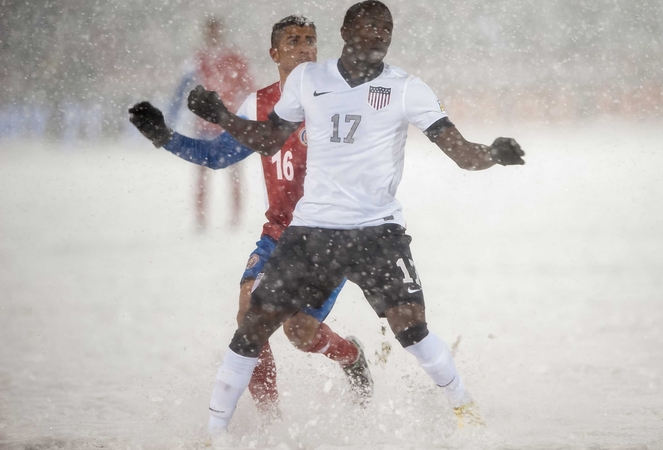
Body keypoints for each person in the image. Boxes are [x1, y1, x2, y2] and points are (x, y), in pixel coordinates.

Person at [189, 0, 525, 433]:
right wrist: (221, 117)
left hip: (377, 233)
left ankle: (465, 407)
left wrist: (492, 154)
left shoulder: (407, 88)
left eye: (387, 28)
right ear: (347, 30)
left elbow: (460, 153)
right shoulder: (309, 79)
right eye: (370, 26)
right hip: (311, 232)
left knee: (412, 329)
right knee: (253, 324)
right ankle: (215, 434)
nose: (380, 34)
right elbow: (269, 140)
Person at [128, 15, 373, 421]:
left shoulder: (341, 100)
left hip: (330, 237)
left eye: (311, 40)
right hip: (279, 233)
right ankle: (270, 425)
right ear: (274, 53)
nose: (304, 48)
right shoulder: (258, 104)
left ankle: (350, 356)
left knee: (299, 333)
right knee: (249, 317)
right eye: (293, 40)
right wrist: (164, 137)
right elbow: (216, 156)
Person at [178, 17, 254, 231]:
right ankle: (201, 219)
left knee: (235, 173)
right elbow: (183, 87)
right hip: (204, 125)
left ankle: (235, 219)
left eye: (215, 30)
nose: (213, 34)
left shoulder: (234, 58)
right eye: (210, 30)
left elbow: (248, 87)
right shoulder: (198, 59)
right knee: (203, 175)